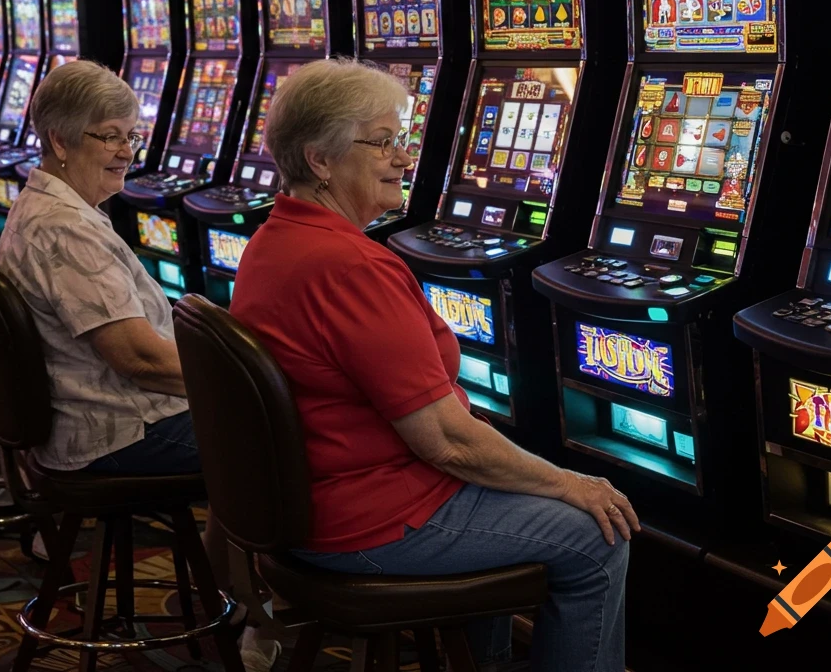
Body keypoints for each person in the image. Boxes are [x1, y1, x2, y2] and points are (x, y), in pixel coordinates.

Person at [230, 59, 638, 672]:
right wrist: (569, 482)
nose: (403, 158)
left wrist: (523, 471)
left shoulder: (276, 238)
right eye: (382, 142)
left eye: (401, 140)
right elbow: (446, 442)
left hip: (312, 501)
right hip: (368, 519)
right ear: (319, 159)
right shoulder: (349, 266)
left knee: (505, 476)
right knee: (597, 536)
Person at [0, 60, 279, 669]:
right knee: (283, 435)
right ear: (59, 141)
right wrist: (255, 382)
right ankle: (261, 612)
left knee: (261, 422)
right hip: (113, 429)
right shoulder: (65, 227)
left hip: (92, 415)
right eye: (110, 136)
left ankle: (226, 595)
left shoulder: (51, 206)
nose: (127, 151)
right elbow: (139, 358)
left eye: (132, 135)